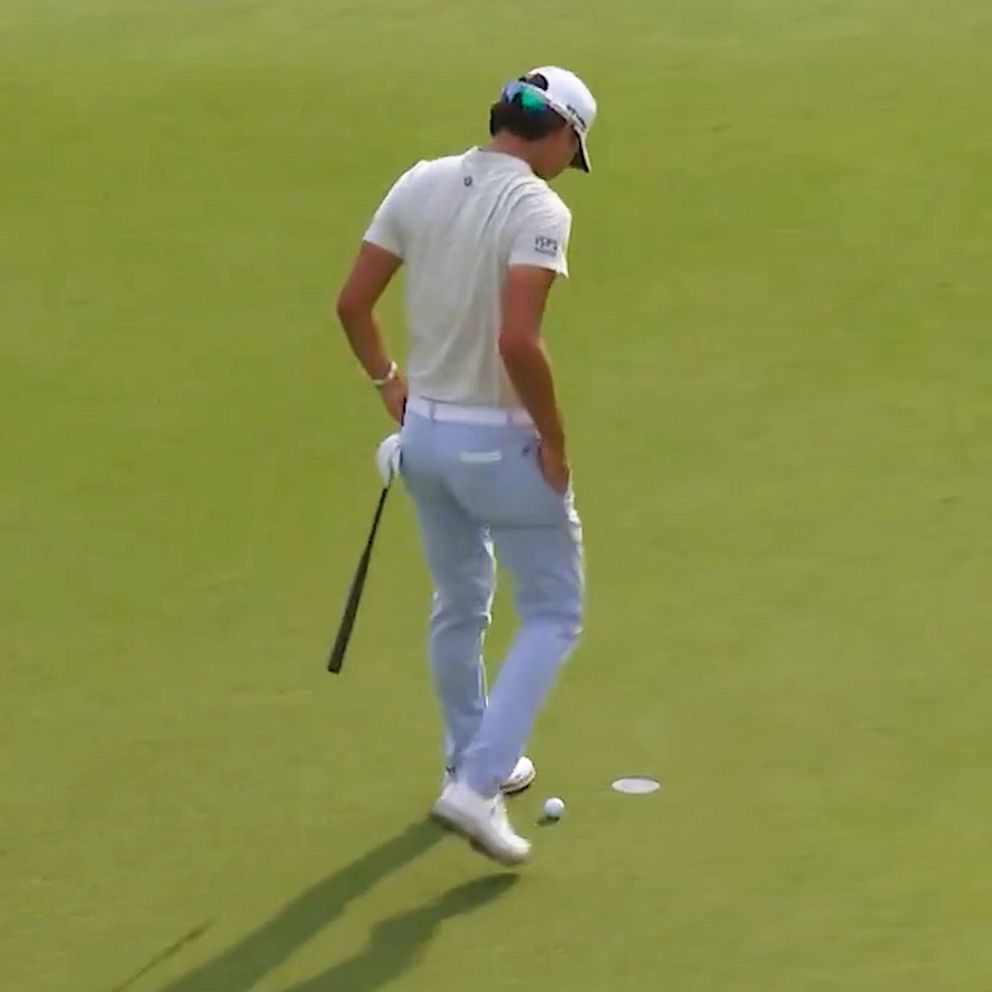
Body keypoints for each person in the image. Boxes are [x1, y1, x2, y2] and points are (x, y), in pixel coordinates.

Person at [335, 66, 597, 865]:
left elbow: (353, 303)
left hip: (423, 440)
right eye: (574, 148)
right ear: (558, 134)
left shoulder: (420, 181)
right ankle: (479, 783)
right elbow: (517, 341)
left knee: (459, 599)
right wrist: (554, 441)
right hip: (496, 445)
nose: (568, 164)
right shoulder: (538, 208)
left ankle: (466, 756)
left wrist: (389, 384)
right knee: (553, 611)